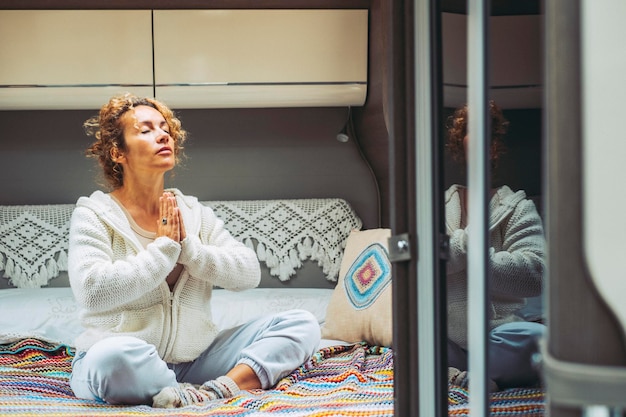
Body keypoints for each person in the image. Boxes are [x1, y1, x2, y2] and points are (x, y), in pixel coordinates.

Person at [67, 93, 321, 408]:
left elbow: (248, 273)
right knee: (111, 359)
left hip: (196, 361)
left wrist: (188, 249)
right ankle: (175, 390)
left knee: (302, 323)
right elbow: (92, 291)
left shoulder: (194, 213)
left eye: (164, 128)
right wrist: (163, 250)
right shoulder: (95, 213)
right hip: (126, 360)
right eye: (145, 130)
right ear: (118, 152)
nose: (162, 135)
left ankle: (215, 391)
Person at [444, 101, 546, 391]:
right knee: (406, 340)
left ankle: (460, 377)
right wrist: (466, 242)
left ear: (493, 149)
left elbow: (535, 275)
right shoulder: (437, 206)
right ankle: (463, 375)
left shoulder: (517, 208)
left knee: (541, 340)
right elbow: (424, 264)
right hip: (447, 337)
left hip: (499, 335)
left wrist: (462, 252)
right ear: (459, 148)